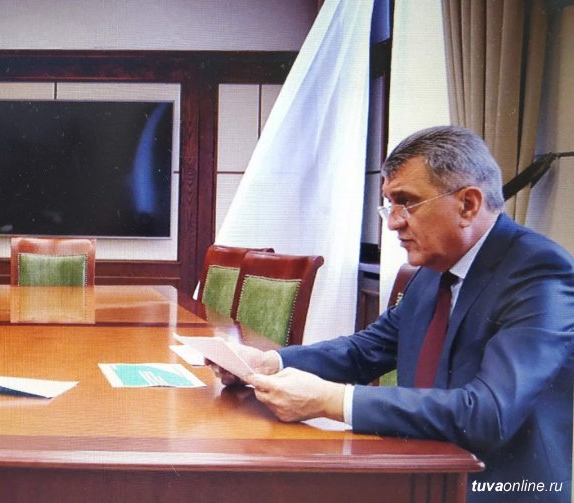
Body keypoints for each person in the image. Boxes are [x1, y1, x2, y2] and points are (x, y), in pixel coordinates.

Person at [212, 126, 574, 503]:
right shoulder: (435, 270)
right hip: (420, 472)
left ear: (468, 204)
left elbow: (488, 413)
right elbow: (365, 350)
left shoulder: (539, 272)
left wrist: (332, 400)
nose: (393, 222)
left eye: (407, 203)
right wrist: (271, 362)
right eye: (390, 205)